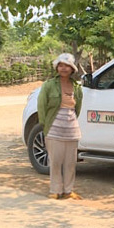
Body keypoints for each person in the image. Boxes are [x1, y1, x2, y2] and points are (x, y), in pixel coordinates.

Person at [38, 53, 83, 200]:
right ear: (57, 67)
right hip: (54, 127)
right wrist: (45, 126)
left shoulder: (76, 87)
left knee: (70, 162)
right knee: (55, 161)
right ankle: (55, 190)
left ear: (72, 69)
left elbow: (78, 107)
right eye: (61, 65)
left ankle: (68, 190)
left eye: (67, 66)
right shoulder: (48, 85)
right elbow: (42, 106)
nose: (63, 69)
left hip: (71, 128)